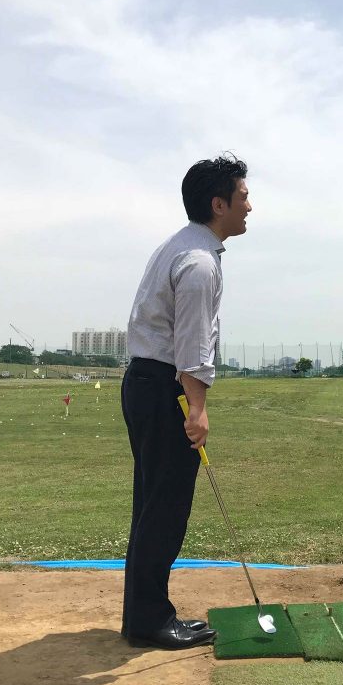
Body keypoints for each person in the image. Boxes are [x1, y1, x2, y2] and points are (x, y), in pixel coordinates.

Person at [120, 154, 252, 649]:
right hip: (165, 390)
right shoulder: (198, 263)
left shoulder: (181, 246)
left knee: (153, 504)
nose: (249, 207)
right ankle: (149, 621)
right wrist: (197, 410)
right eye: (243, 197)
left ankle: (144, 614)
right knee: (165, 508)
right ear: (219, 204)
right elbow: (193, 346)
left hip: (147, 383)